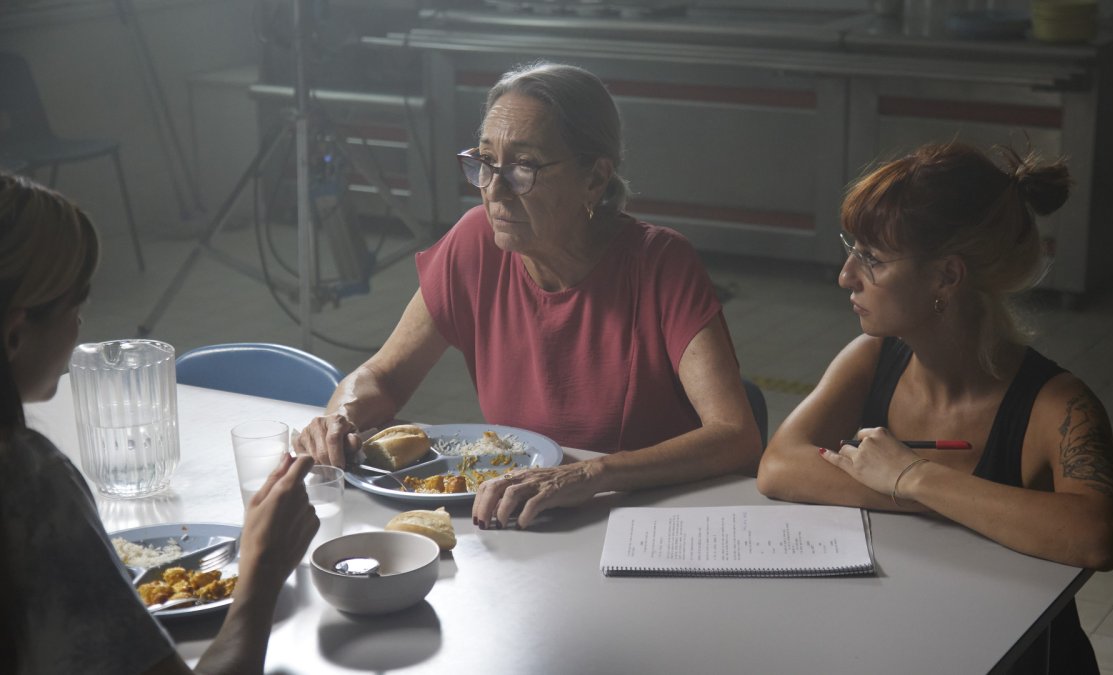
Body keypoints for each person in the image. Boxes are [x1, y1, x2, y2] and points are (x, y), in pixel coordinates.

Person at [294, 62, 760, 529]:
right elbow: (384, 376)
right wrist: (342, 418)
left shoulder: (659, 263)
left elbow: (736, 435)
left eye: (523, 167)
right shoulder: (475, 242)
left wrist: (590, 474)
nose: (494, 190)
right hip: (528, 520)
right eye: (484, 162)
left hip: (644, 519)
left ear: (595, 178)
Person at [756, 141, 1113, 673]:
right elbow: (779, 467)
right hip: (909, 642)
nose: (846, 276)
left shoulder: (1057, 405)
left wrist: (911, 475)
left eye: (872, 259)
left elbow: (1099, 536)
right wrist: (964, 503)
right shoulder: (872, 357)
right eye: (852, 249)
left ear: (946, 277)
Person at [0, 172, 319, 674]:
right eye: (75, 305)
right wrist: (262, 568)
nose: (81, 325)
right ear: (16, 334)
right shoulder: (28, 485)